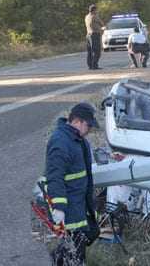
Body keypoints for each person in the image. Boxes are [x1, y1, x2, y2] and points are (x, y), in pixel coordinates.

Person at [44, 102, 100, 265]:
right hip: (68, 213)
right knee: (73, 254)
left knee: (76, 249)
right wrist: (59, 208)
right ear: (78, 121)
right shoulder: (60, 142)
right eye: (88, 125)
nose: (89, 130)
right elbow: (55, 177)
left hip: (78, 208)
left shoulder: (77, 140)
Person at [84, 4, 104, 70]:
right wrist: (102, 29)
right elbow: (102, 24)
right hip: (95, 35)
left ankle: (90, 65)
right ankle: (94, 65)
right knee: (97, 51)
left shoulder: (86, 16)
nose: (97, 11)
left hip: (88, 35)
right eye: (96, 10)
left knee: (89, 51)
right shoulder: (94, 16)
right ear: (94, 10)